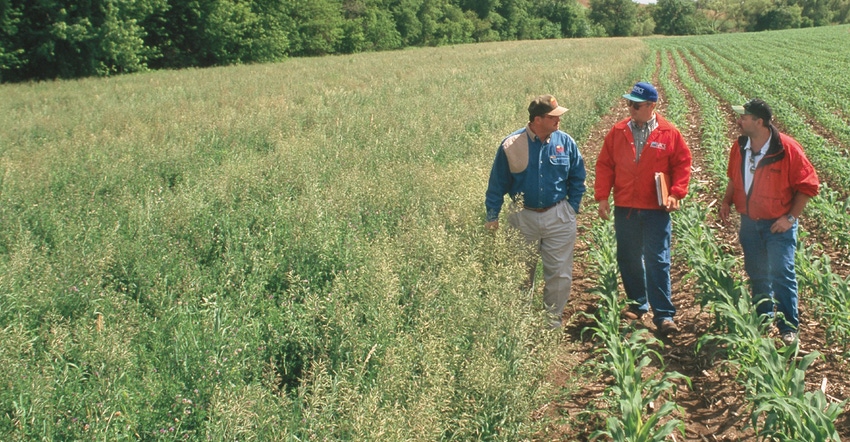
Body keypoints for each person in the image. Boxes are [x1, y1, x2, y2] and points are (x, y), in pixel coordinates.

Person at [719, 98, 819, 346]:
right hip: (749, 223)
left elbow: (808, 186)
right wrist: (725, 202)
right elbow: (734, 177)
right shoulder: (740, 146)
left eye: (744, 117)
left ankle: (788, 328)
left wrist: (790, 218)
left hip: (778, 225)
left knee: (782, 273)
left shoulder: (787, 149)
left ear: (758, 121)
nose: (739, 120)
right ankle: (763, 320)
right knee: (757, 273)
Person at [594, 81, 692, 335]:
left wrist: (676, 193)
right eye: (629, 103)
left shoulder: (669, 133)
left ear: (651, 106)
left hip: (655, 209)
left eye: (636, 105)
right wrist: (603, 197)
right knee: (628, 257)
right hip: (626, 206)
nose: (631, 109)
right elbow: (605, 165)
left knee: (657, 260)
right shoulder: (618, 132)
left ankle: (664, 315)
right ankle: (638, 304)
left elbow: (683, 164)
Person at [485, 94, 587, 329]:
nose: (558, 120)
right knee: (521, 273)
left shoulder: (566, 142)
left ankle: (552, 323)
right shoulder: (511, 145)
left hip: (558, 215)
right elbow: (497, 183)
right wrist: (492, 216)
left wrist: (571, 209)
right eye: (553, 117)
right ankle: (520, 325)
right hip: (522, 217)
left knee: (559, 274)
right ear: (537, 119)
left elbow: (577, 176)